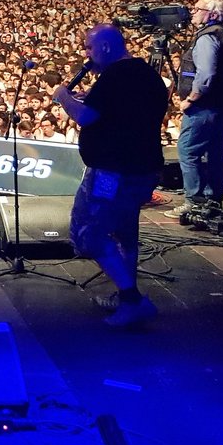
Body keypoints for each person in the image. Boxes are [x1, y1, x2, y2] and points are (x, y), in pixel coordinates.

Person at [53, 24, 168, 328]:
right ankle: (125, 294)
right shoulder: (147, 75)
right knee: (125, 232)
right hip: (143, 169)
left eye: (89, 48)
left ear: (104, 48)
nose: (86, 54)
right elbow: (122, 114)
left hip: (112, 171)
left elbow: (86, 116)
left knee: (88, 232)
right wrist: (89, 97)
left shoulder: (114, 78)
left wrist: (64, 97)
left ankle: (132, 300)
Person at [168, 0, 223, 219]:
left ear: (211, 14)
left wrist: (190, 98)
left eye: (197, 8)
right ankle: (213, 199)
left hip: (204, 107)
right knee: (215, 151)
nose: (193, 12)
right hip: (221, 106)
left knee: (188, 151)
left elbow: (206, 74)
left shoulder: (207, 38)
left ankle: (195, 201)